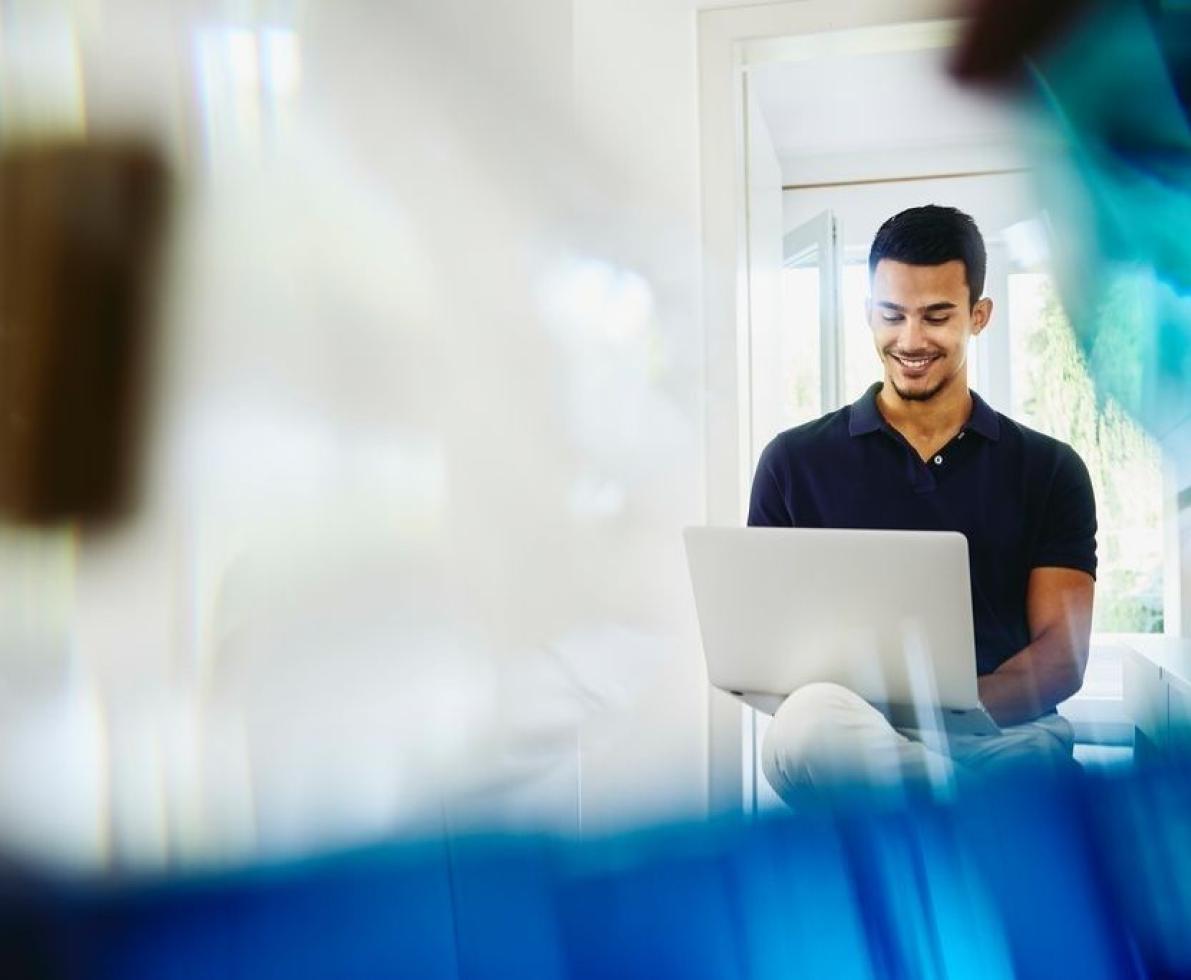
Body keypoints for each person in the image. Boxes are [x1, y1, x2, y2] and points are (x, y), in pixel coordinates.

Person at [749, 205, 1096, 799]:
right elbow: (765, 649)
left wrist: (943, 719)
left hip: (1001, 736)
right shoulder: (791, 462)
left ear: (979, 316)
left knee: (1032, 763)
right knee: (806, 725)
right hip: (849, 736)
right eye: (892, 315)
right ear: (867, 314)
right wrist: (885, 725)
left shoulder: (1050, 468)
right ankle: (976, 819)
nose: (911, 340)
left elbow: (1061, 660)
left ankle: (946, 808)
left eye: (937, 316)